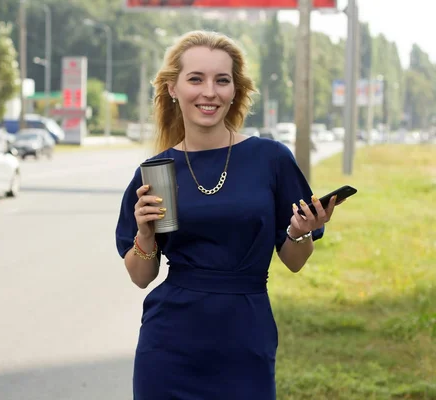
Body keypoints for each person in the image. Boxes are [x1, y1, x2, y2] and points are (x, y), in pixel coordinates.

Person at [115, 30, 342, 399]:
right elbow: (142, 277)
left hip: (245, 340)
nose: (210, 92)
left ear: (235, 90)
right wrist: (144, 235)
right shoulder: (156, 172)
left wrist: (300, 232)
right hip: (169, 348)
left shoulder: (270, 159)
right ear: (173, 88)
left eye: (222, 80)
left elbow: (295, 261)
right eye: (196, 79)